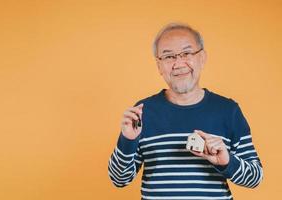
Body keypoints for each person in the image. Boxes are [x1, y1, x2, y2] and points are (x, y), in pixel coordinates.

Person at [108, 23, 263, 200]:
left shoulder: (228, 110)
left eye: (187, 53)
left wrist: (226, 162)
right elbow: (119, 180)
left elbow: (255, 178)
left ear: (202, 58)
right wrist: (127, 140)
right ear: (159, 66)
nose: (178, 63)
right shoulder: (143, 111)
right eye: (168, 56)